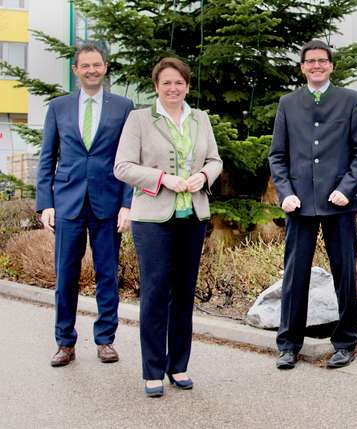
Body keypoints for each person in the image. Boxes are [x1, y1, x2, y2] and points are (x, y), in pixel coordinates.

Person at [114, 57, 222, 397]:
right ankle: (152, 370)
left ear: (187, 86)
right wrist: (162, 178)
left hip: (192, 218)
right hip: (152, 220)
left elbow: (215, 160)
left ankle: (178, 365)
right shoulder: (139, 120)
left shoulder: (200, 119)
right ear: (156, 86)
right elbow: (123, 167)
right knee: (156, 292)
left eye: (179, 83)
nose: (173, 88)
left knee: (184, 294)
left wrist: (203, 176)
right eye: (166, 83)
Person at [268, 40, 357, 370]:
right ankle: (288, 344)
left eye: (321, 61)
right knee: (295, 274)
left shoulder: (351, 100)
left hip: (338, 202)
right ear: (302, 67)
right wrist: (284, 193)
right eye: (309, 61)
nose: (316, 66)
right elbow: (278, 155)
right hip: (298, 204)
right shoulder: (288, 103)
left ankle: (345, 342)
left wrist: (346, 187)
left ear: (331, 66)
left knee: (344, 272)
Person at [36, 43, 134, 367]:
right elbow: (47, 159)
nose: (92, 70)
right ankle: (65, 342)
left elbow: (129, 159)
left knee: (107, 275)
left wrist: (127, 204)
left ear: (105, 67)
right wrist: (45, 204)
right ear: (76, 70)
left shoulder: (123, 107)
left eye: (97, 65)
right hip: (67, 203)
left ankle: (106, 340)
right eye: (85, 66)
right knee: (65, 276)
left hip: (108, 204)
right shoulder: (58, 107)